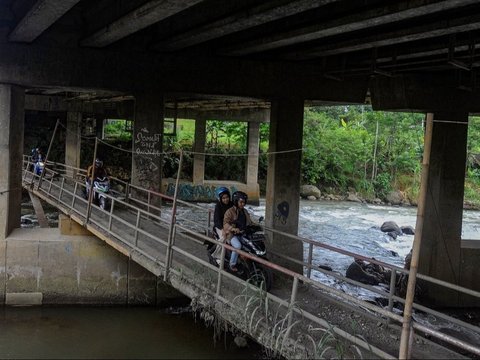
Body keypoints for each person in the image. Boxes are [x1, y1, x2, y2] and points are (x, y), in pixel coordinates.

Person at [223, 191, 253, 272]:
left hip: (243, 234)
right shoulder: (230, 211)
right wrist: (232, 229)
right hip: (232, 235)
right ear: (236, 201)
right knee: (238, 246)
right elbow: (225, 223)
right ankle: (232, 264)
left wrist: (256, 226)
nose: (243, 204)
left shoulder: (245, 211)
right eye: (241, 202)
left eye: (244, 202)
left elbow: (250, 222)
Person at [210, 187, 233, 261]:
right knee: (224, 238)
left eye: (227, 197)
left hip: (230, 226)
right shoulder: (218, 206)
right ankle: (217, 256)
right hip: (220, 227)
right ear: (220, 199)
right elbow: (216, 220)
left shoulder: (232, 205)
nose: (226, 199)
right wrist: (222, 229)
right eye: (223, 198)